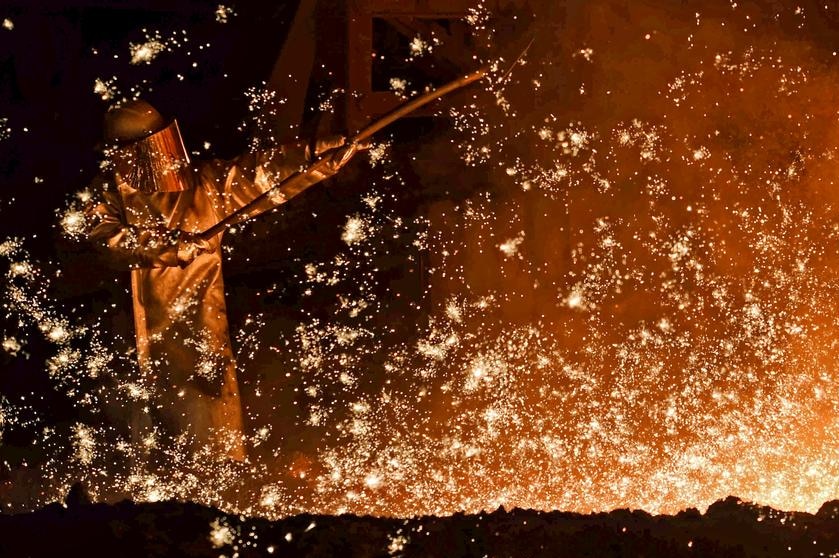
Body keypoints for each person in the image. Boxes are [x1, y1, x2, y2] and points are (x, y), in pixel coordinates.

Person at [86, 99, 361, 462]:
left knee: (208, 447)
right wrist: (170, 246)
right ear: (126, 154)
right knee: (145, 458)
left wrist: (318, 154)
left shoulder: (203, 187)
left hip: (197, 345)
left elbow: (263, 174)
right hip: (132, 352)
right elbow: (107, 241)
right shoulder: (107, 196)